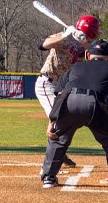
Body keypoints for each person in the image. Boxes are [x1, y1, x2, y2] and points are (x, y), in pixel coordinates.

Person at [40, 39, 108, 191]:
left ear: (89, 55)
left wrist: (52, 121)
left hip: (69, 102)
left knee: (58, 138)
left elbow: (60, 94)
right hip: (95, 104)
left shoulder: (77, 66)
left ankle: (49, 178)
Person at [35, 15, 100, 168]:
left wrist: (83, 41)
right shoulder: (63, 37)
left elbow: (95, 54)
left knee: (71, 119)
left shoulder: (88, 45)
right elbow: (43, 44)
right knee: (58, 120)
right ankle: (49, 166)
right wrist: (65, 35)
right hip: (48, 83)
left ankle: (59, 152)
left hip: (65, 87)